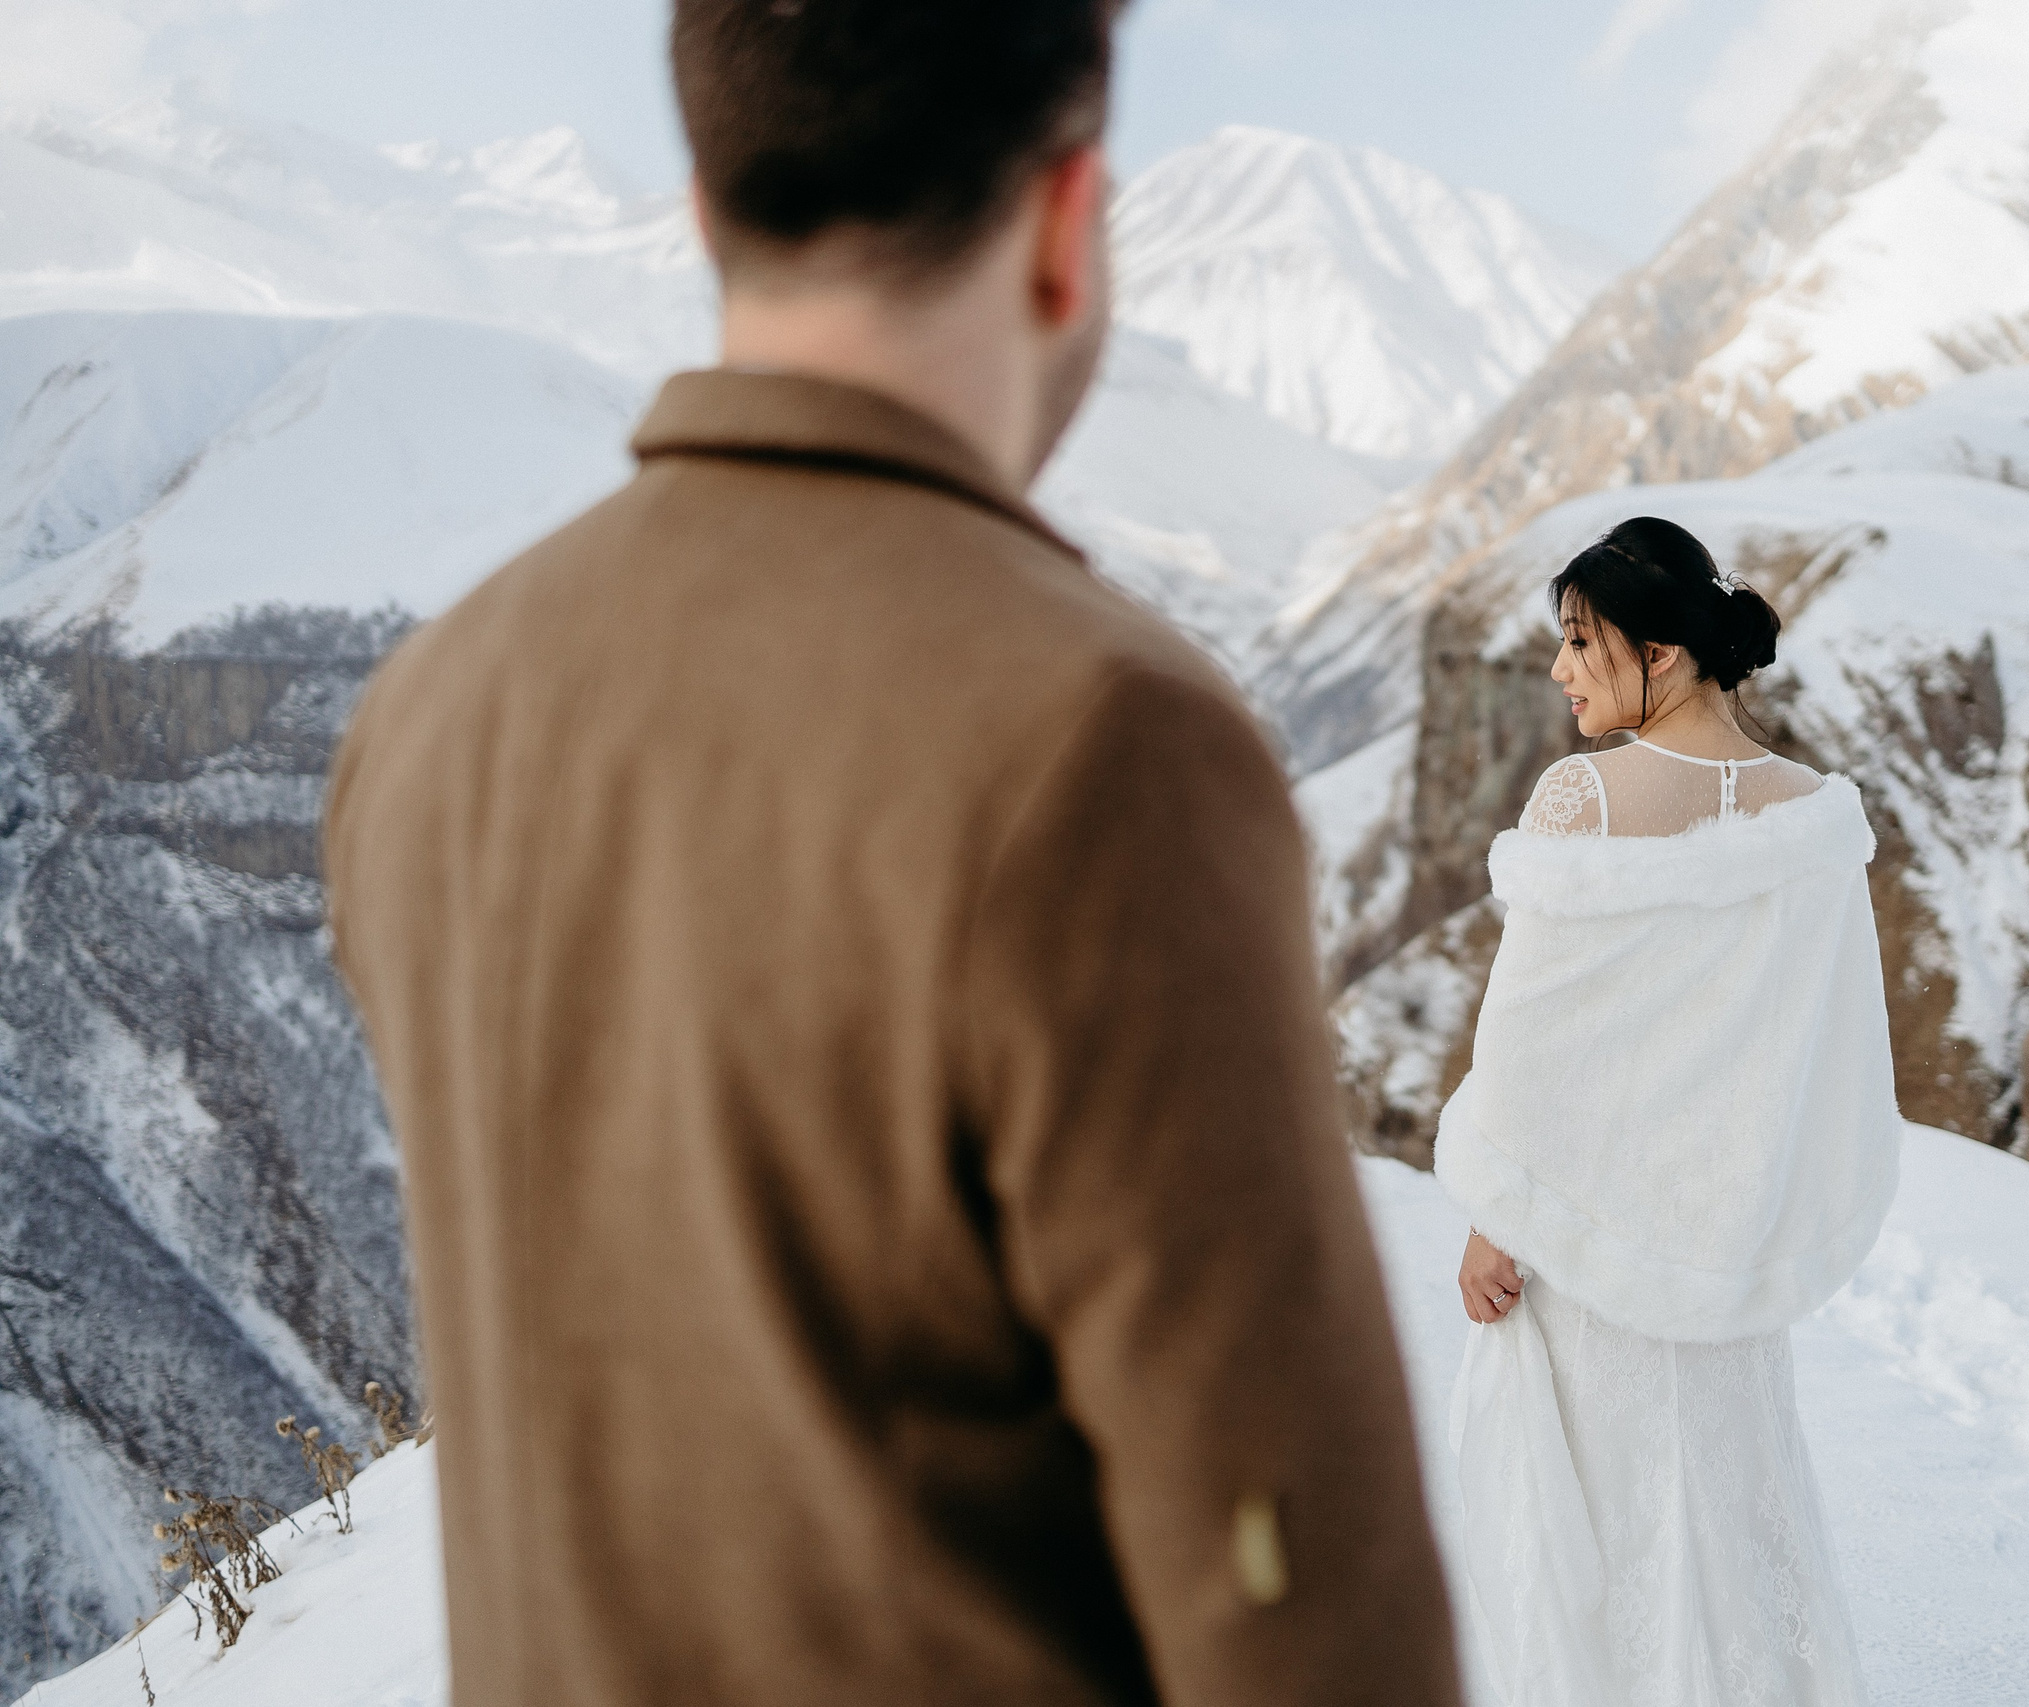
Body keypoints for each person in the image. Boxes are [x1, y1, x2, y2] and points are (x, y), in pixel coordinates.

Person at [322, 4, 1463, 1704]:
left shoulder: (428, 713)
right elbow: (1296, 1592)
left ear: (706, 202)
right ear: (1071, 224)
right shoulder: (1104, 740)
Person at [1437, 516, 1899, 1706]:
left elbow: (1533, 1041)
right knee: (1727, 1527)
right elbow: (1823, 1049)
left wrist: (1500, 1213)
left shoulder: (1583, 801)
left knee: (1600, 1539)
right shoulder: (1810, 814)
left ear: (1664, 655)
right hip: (1726, 1250)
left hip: (1590, 1255)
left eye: (1582, 642)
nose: (1560, 670)